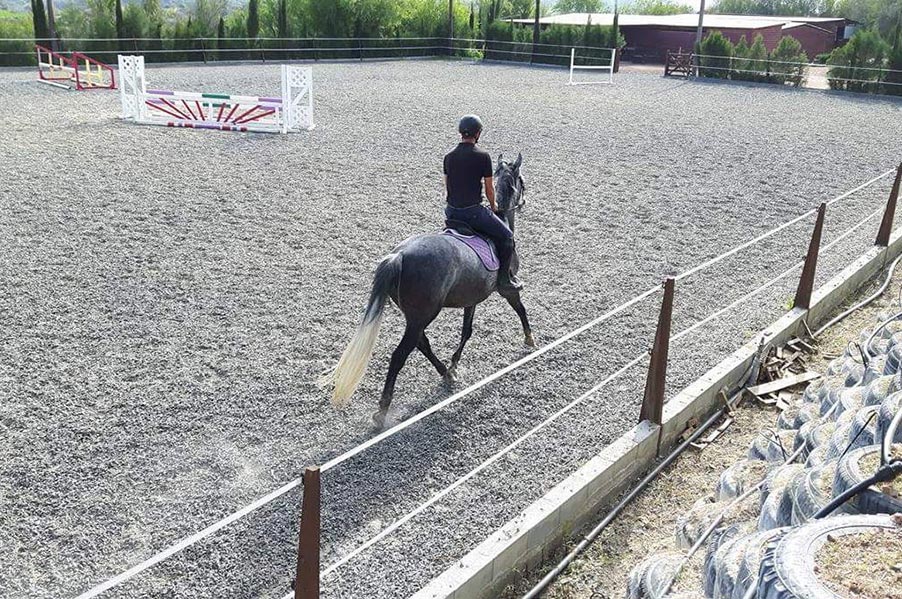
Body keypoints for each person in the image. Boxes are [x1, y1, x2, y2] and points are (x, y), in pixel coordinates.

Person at [443, 114, 522, 293]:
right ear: (478, 134)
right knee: (507, 237)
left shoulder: (448, 157)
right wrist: (493, 207)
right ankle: (504, 280)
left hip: (451, 213)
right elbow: (489, 189)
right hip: (473, 213)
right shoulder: (483, 156)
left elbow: (447, 188)